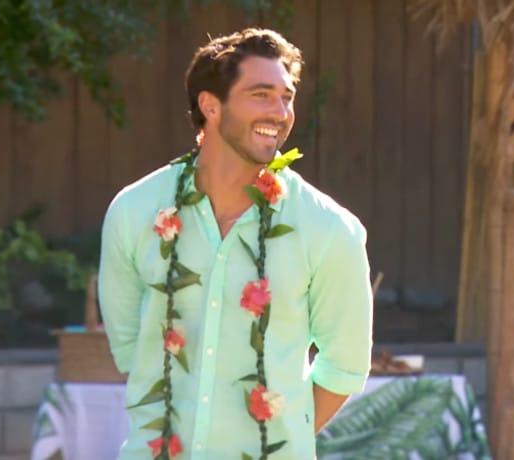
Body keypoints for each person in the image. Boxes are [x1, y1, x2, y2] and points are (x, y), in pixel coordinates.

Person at [98, 28, 373, 459]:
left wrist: (275, 440)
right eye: (261, 94)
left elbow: (345, 367)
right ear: (210, 105)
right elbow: (132, 350)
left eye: (287, 96)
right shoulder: (133, 212)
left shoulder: (328, 229)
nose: (280, 112)